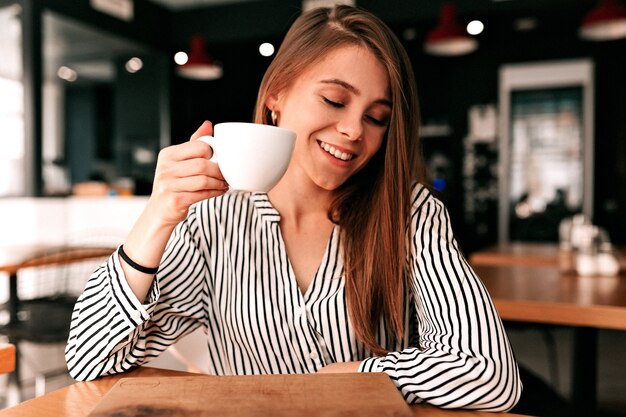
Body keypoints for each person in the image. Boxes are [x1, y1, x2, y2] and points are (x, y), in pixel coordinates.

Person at [65, 5, 521, 411]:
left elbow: (491, 373)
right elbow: (90, 362)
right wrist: (156, 218)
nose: (352, 130)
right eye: (334, 100)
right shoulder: (213, 219)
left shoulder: (408, 214)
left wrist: (348, 378)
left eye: (376, 117)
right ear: (276, 96)